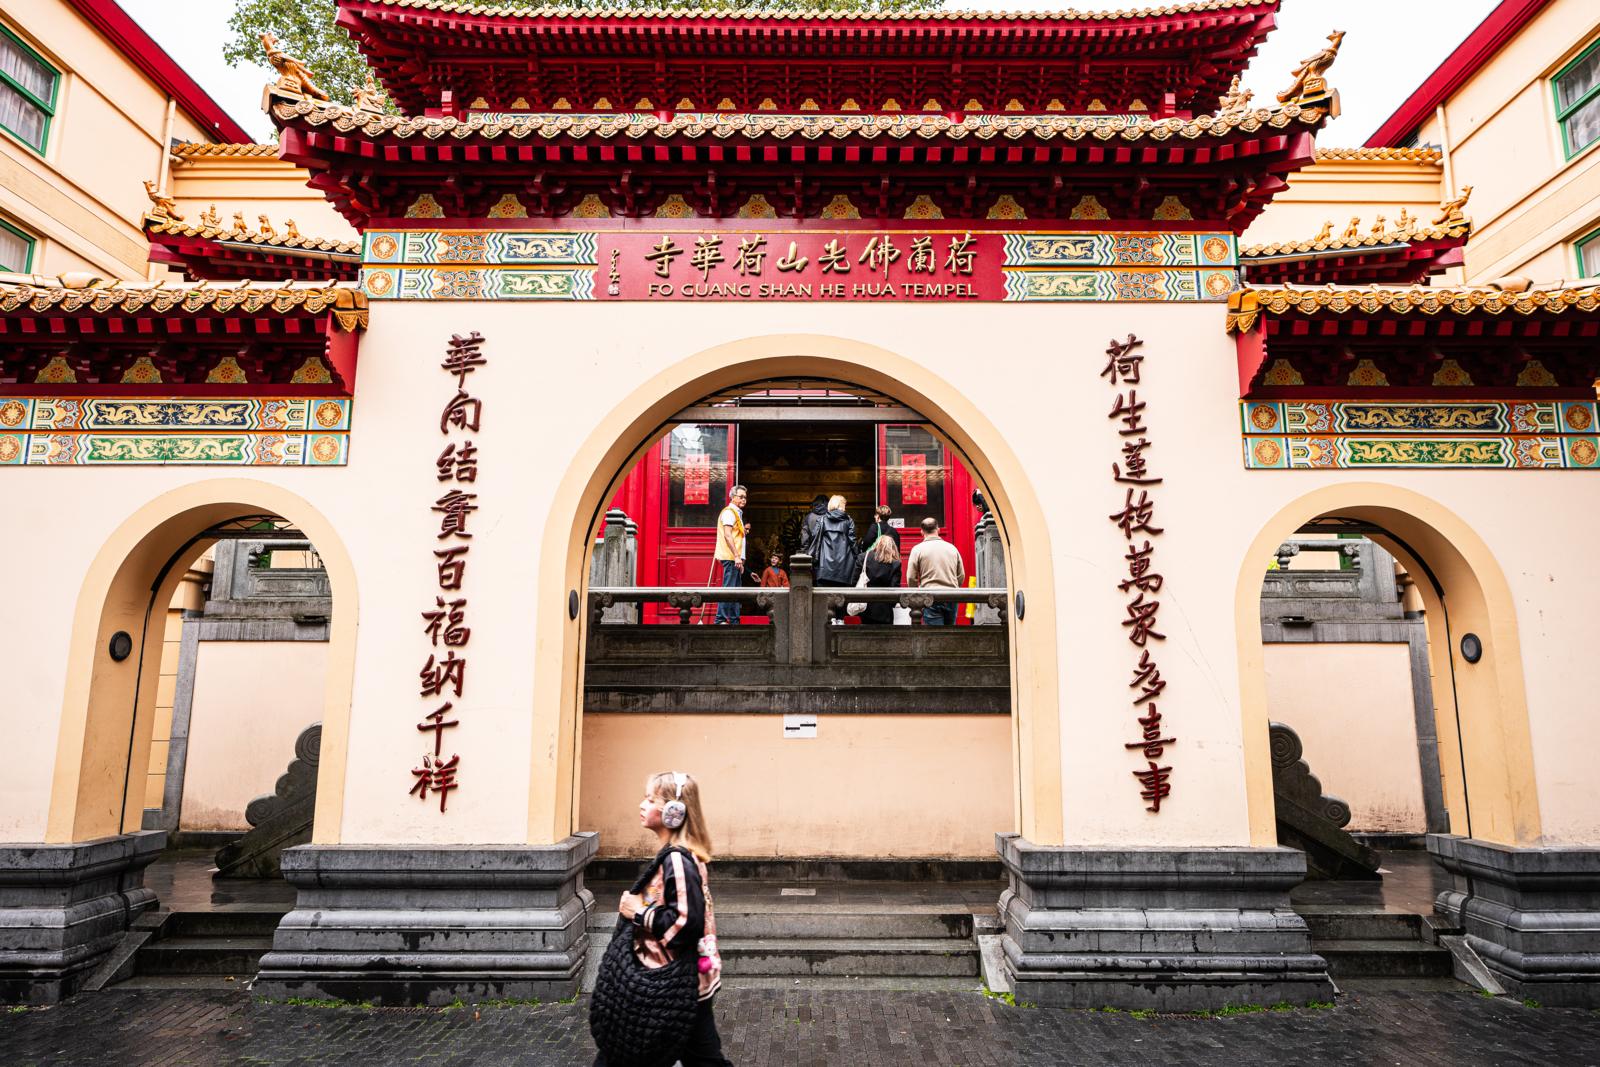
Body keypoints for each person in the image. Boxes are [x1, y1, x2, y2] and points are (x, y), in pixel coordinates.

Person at [602, 771, 730, 1067]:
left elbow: (686, 923)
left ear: (675, 812)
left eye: (650, 800)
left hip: (671, 981)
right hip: (682, 981)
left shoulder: (677, 860)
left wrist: (638, 912)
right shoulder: (676, 856)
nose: (641, 805)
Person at [905, 517, 965, 625]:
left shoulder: (917, 549)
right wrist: (952, 585)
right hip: (951, 596)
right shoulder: (952, 548)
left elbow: (911, 577)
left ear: (921, 532)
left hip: (930, 596)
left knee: (934, 635)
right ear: (938, 529)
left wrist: (917, 594)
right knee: (950, 633)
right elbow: (961, 575)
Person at [713, 485, 748, 625]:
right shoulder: (729, 512)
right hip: (731, 557)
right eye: (741, 497)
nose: (744, 500)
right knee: (729, 588)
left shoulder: (737, 513)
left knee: (735, 590)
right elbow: (728, 535)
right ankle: (720, 619)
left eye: (745, 497)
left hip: (736, 559)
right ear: (733, 497)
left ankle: (734, 620)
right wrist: (736, 556)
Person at [861, 534, 902, 625]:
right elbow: (895, 587)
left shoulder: (863, 558)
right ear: (892, 547)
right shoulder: (895, 563)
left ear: (877, 544)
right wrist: (892, 604)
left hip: (865, 606)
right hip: (885, 609)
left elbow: (855, 580)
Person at [800, 493, 828, 559]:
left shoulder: (808, 517)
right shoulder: (830, 516)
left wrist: (804, 552)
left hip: (812, 553)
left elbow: (804, 537)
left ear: (814, 504)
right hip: (828, 554)